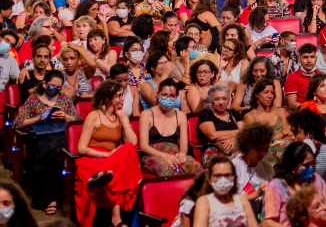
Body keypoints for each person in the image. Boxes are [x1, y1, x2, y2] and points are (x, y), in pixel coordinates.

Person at [75, 79, 143, 227]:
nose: (123, 99)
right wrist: (106, 155)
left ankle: (104, 175)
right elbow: (81, 148)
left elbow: (132, 142)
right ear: (108, 98)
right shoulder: (94, 116)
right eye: (119, 96)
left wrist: (123, 118)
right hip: (94, 158)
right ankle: (116, 219)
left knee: (128, 149)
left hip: (112, 158)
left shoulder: (121, 116)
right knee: (116, 168)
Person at [13, 68, 80, 215]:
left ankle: (51, 200)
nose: (55, 90)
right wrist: (37, 119)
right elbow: (17, 123)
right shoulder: (33, 100)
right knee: (57, 154)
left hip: (59, 139)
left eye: (58, 87)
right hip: (39, 142)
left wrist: (66, 117)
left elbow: (78, 120)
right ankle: (54, 200)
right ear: (44, 84)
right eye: (52, 86)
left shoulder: (64, 100)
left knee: (58, 156)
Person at [263, 141, 326, 227]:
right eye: (306, 165)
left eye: (312, 164)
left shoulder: (317, 179)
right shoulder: (275, 187)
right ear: (293, 166)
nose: (311, 168)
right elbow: (266, 223)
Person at [138, 77, 202, 176]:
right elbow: (143, 147)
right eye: (164, 95)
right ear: (158, 95)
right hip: (152, 155)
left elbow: (183, 146)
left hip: (174, 154)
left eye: (172, 96)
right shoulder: (146, 114)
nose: (168, 98)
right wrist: (164, 156)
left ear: (176, 97)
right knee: (166, 169)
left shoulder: (181, 116)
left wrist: (182, 154)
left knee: (195, 166)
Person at [193, 154, 259, 227]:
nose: (223, 180)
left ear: (233, 178)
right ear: (209, 180)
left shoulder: (242, 199)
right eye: (217, 175)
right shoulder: (204, 202)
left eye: (227, 175)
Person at [198, 83, 242, 166]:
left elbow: (245, 133)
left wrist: (235, 138)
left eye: (224, 98)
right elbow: (213, 135)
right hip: (213, 151)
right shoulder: (205, 114)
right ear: (211, 100)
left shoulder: (234, 113)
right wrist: (238, 133)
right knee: (231, 164)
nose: (221, 102)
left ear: (229, 100)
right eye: (217, 99)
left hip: (235, 149)